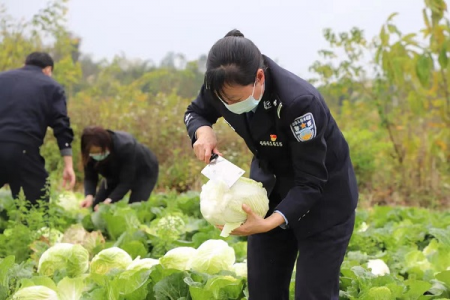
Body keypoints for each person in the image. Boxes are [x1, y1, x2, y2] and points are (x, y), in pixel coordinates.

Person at [184, 30, 358, 300]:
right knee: (264, 292)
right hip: (267, 194)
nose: (228, 106)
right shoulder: (220, 87)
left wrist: (268, 224)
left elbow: (311, 182)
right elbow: (195, 112)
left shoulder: (299, 103)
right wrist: (202, 132)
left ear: (259, 78)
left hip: (324, 200)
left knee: (313, 294)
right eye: (223, 101)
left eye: (235, 101)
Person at [0, 52, 76, 205]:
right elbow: (61, 126)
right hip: (23, 150)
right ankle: (32, 228)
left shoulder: (2, 78)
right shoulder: (51, 86)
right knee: (35, 208)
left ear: (25, 64)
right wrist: (68, 164)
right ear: (48, 70)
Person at [79, 126, 159, 210]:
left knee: (135, 208)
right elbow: (90, 177)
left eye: (99, 152)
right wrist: (89, 196)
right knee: (96, 207)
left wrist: (110, 200)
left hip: (143, 170)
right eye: (93, 153)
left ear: (107, 145)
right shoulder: (88, 154)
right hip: (114, 172)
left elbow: (126, 181)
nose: (96, 155)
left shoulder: (126, 146)